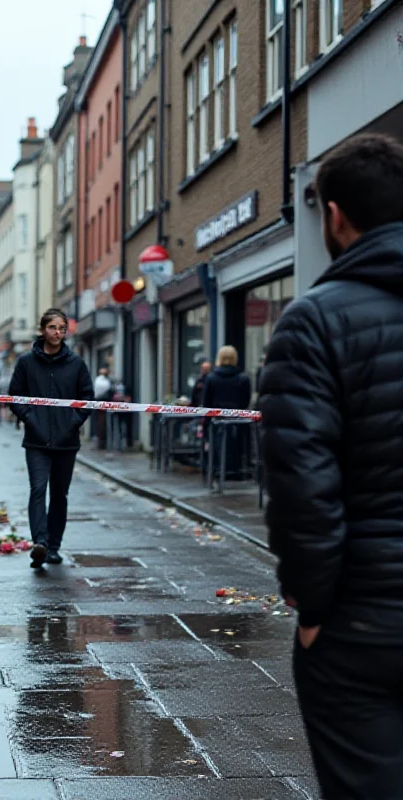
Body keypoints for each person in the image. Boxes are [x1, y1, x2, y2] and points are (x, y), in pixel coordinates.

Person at [259, 133, 403, 798]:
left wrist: (312, 607)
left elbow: (302, 484)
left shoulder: (314, 321)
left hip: (364, 621)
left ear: (336, 216)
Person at [8, 309, 94, 569]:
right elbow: (15, 397)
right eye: (53, 327)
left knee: (60, 494)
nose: (57, 332)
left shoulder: (76, 363)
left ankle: (54, 546)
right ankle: (40, 543)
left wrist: (72, 423)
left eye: (62, 328)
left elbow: (87, 399)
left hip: (66, 442)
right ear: (42, 329)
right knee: (37, 489)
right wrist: (31, 419)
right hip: (36, 441)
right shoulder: (26, 362)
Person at [202, 346, 251, 480]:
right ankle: (236, 471)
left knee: (217, 446)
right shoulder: (243, 379)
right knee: (236, 448)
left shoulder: (211, 378)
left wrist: (205, 425)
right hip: (237, 421)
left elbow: (206, 404)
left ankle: (218, 472)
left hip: (216, 421)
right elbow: (245, 401)